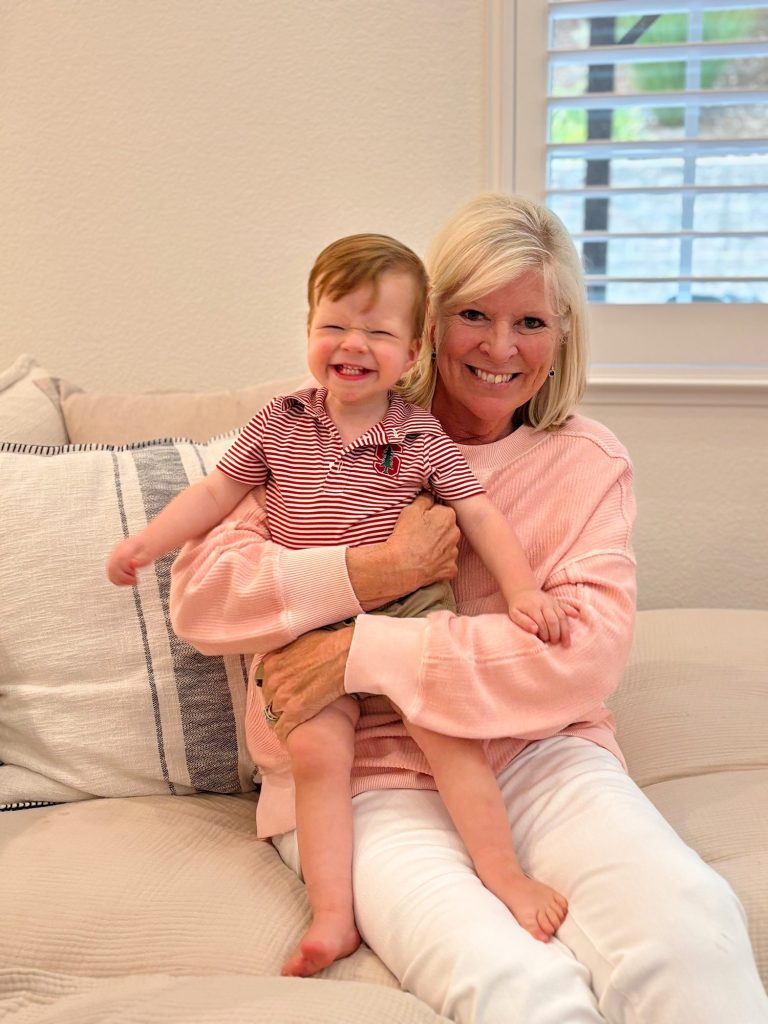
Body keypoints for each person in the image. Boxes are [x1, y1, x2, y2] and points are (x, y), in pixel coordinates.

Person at [170, 195, 768, 1024]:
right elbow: (201, 596)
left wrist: (357, 651)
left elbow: (581, 654)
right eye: (473, 315)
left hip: (533, 754)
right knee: (518, 987)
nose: (500, 346)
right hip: (364, 775)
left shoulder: (586, 462)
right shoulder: (317, 420)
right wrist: (371, 571)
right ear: (425, 324)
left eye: (531, 321)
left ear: (563, 337)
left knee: (690, 934)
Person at [108, 232, 577, 977]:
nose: (351, 344)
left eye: (378, 331)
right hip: (306, 624)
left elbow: (480, 515)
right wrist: (146, 545)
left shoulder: (417, 433)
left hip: (409, 613)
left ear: (415, 348)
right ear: (307, 329)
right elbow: (215, 494)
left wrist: (522, 592)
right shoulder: (279, 422)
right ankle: (333, 914)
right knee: (317, 752)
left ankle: (505, 874)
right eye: (334, 325)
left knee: (450, 732)